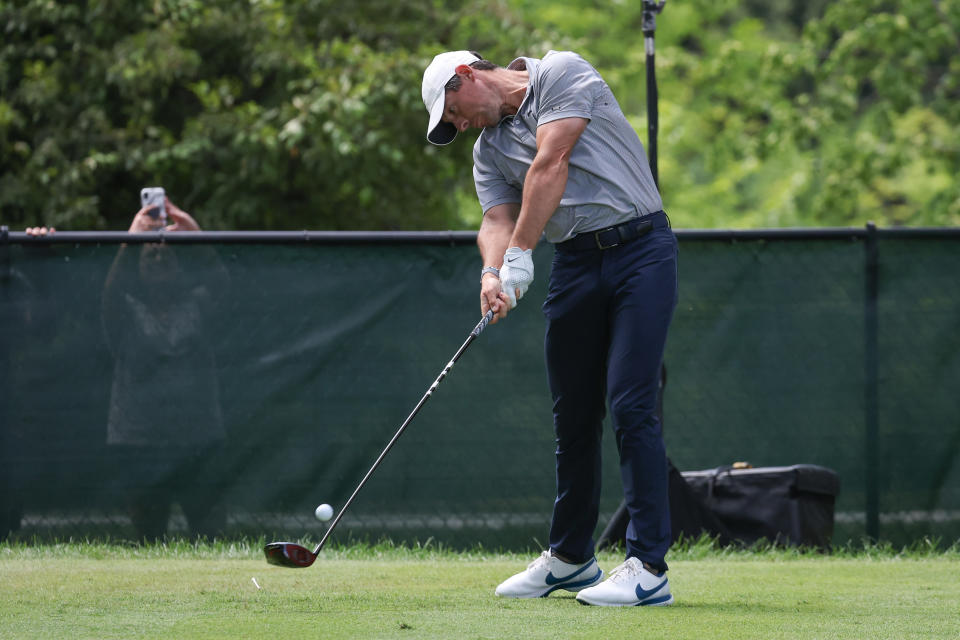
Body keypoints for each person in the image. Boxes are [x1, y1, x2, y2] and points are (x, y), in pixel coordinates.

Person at [421, 50, 678, 606]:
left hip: (641, 252)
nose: (459, 125)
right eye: (450, 126)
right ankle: (571, 558)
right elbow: (496, 217)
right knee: (573, 414)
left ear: (466, 75)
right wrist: (493, 271)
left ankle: (648, 567)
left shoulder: (560, 72)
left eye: (454, 111)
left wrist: (519, 254)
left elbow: (551, 159)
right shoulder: (487, 150)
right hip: (575, 262)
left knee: (632, 405)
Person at [101, 197, 229, 541]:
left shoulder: (198, 305)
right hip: (139, 440)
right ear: (139, 269)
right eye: (151, 254)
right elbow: (110, 294)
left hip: (198, 437)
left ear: (179, 266)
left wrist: (197, 236)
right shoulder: (125, 313)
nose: (158, 256)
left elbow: (222, 286)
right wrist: (130, 243)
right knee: (147, 534)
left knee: (210, 532)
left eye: (166, 254)